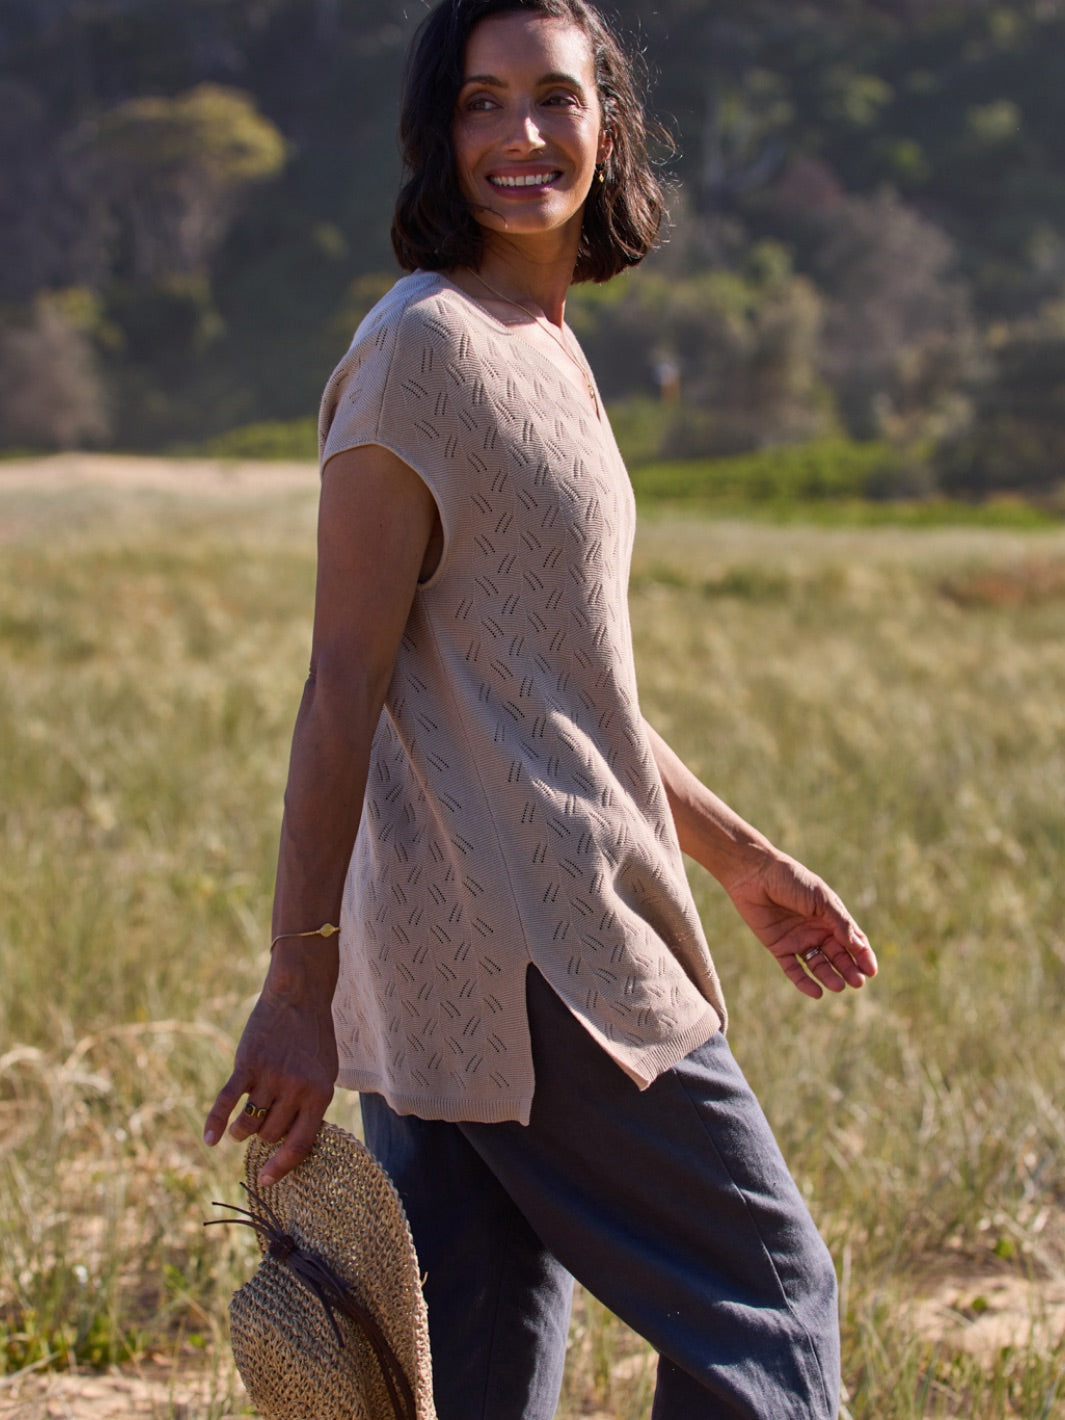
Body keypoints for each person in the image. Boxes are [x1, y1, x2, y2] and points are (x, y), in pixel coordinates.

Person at [204, 2, 878, 1415]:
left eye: (554, 98)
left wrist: (742, 860)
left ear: (608, 127)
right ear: (435, 134)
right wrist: (296, 986)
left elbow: (561, 690)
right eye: (480, 102)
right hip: (535, 954)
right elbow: (341, 686)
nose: (521, 134)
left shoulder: (542, 345)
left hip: (464, 957)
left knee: (480, 1367)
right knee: (769, 1302)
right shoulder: (421, 350)